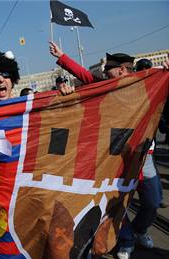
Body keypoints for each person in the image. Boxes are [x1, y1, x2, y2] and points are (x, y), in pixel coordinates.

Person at [50, 42, 168, 259]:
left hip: (143, 156)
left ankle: (139, 229)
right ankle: (126, 240)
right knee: (115, 205)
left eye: (108, 70)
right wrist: (62, 56)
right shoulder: (105, 87)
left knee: (152, 201)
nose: (104, 73)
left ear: (122, 70)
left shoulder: (146, 84)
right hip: (112, 159)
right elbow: (84, 75)